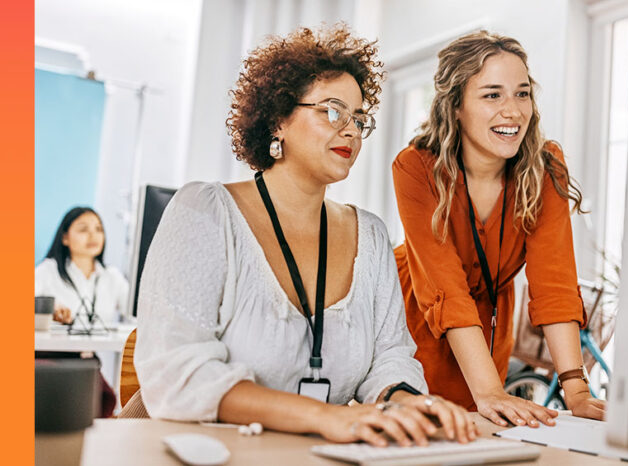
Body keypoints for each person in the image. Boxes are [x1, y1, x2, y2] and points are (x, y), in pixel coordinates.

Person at [134, 24, 477, 447]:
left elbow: (390, 359)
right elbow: (180, 373)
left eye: (359, 118)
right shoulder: (204, 211)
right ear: (278, 119)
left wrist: (406, 403)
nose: (350, 130)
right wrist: (325, 417)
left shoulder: (369, 235)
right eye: (333, 111)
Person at [392, 31, 606, 429]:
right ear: (455, 105)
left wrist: (576, 388)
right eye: (493, 95)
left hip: (490, 324)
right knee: (427, 436)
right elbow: (446, 290)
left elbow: (554, 283)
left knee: (489, 433)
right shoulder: (416, 167)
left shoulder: (545, 168)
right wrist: (489, 390)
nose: (513, 111)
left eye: (522, 94)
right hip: (417, 319)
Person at [35, 207, 129, 325]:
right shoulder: (47, 271)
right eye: (83, 229)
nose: (93, 235)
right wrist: (48, 310)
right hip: (59, 343)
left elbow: (139, 314)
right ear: (65, 238)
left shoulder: (112, 276)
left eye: (98, 229)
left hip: (102, 343)